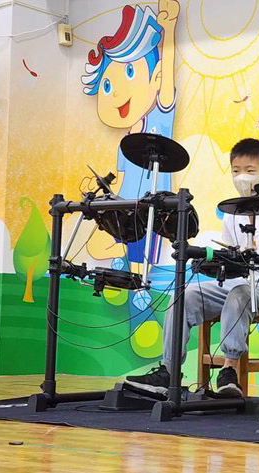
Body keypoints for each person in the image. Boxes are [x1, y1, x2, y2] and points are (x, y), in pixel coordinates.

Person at [125, 138, 259, 398]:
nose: (241, 177)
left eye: (250, 171)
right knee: (184, 296)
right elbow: (232, 254)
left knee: (239, 294)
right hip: (238, 282)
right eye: (236, 171)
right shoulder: (232, 211)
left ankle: (229, 371)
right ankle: (169, 372)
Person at [82, 1, 180, 357]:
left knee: (144, 252)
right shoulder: (126, 139)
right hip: (126, 206)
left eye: (129, 72)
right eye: (108, 85)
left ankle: (141, 291)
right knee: (110, 238)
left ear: (154, 76)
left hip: (153, 207)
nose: (118, 92)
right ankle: (123, 268)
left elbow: (167, 80)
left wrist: (169, 31)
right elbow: (122, 176)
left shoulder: (160, 119)